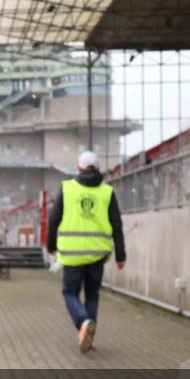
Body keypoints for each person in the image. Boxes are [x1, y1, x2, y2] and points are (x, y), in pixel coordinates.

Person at [47, 150, 126, 354]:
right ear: (98, 168)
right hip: (97, 254)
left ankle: (83, 323)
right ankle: (88, 334)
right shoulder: (107, 191)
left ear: (78, 168)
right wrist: (121, 255)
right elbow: (116, 224)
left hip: (72, 254)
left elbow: (53, 219)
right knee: (92, 296)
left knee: (70, 293)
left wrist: (51, 244)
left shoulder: (67, 188)